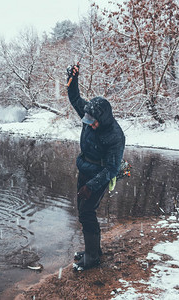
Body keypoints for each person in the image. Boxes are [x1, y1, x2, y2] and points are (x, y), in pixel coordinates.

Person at [66, 64, 126, 271]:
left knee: (87, 213)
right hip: (84, 169)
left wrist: (91, 186)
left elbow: (111, 169)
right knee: (83, 211)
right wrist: (73, 79)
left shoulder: (115, 136)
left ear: (102, 119)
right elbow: (75, 99)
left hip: (99, 176)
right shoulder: (89, 115)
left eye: (93, 122)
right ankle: (94, 250)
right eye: (87, 120)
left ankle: (92, 259)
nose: (89, 124)